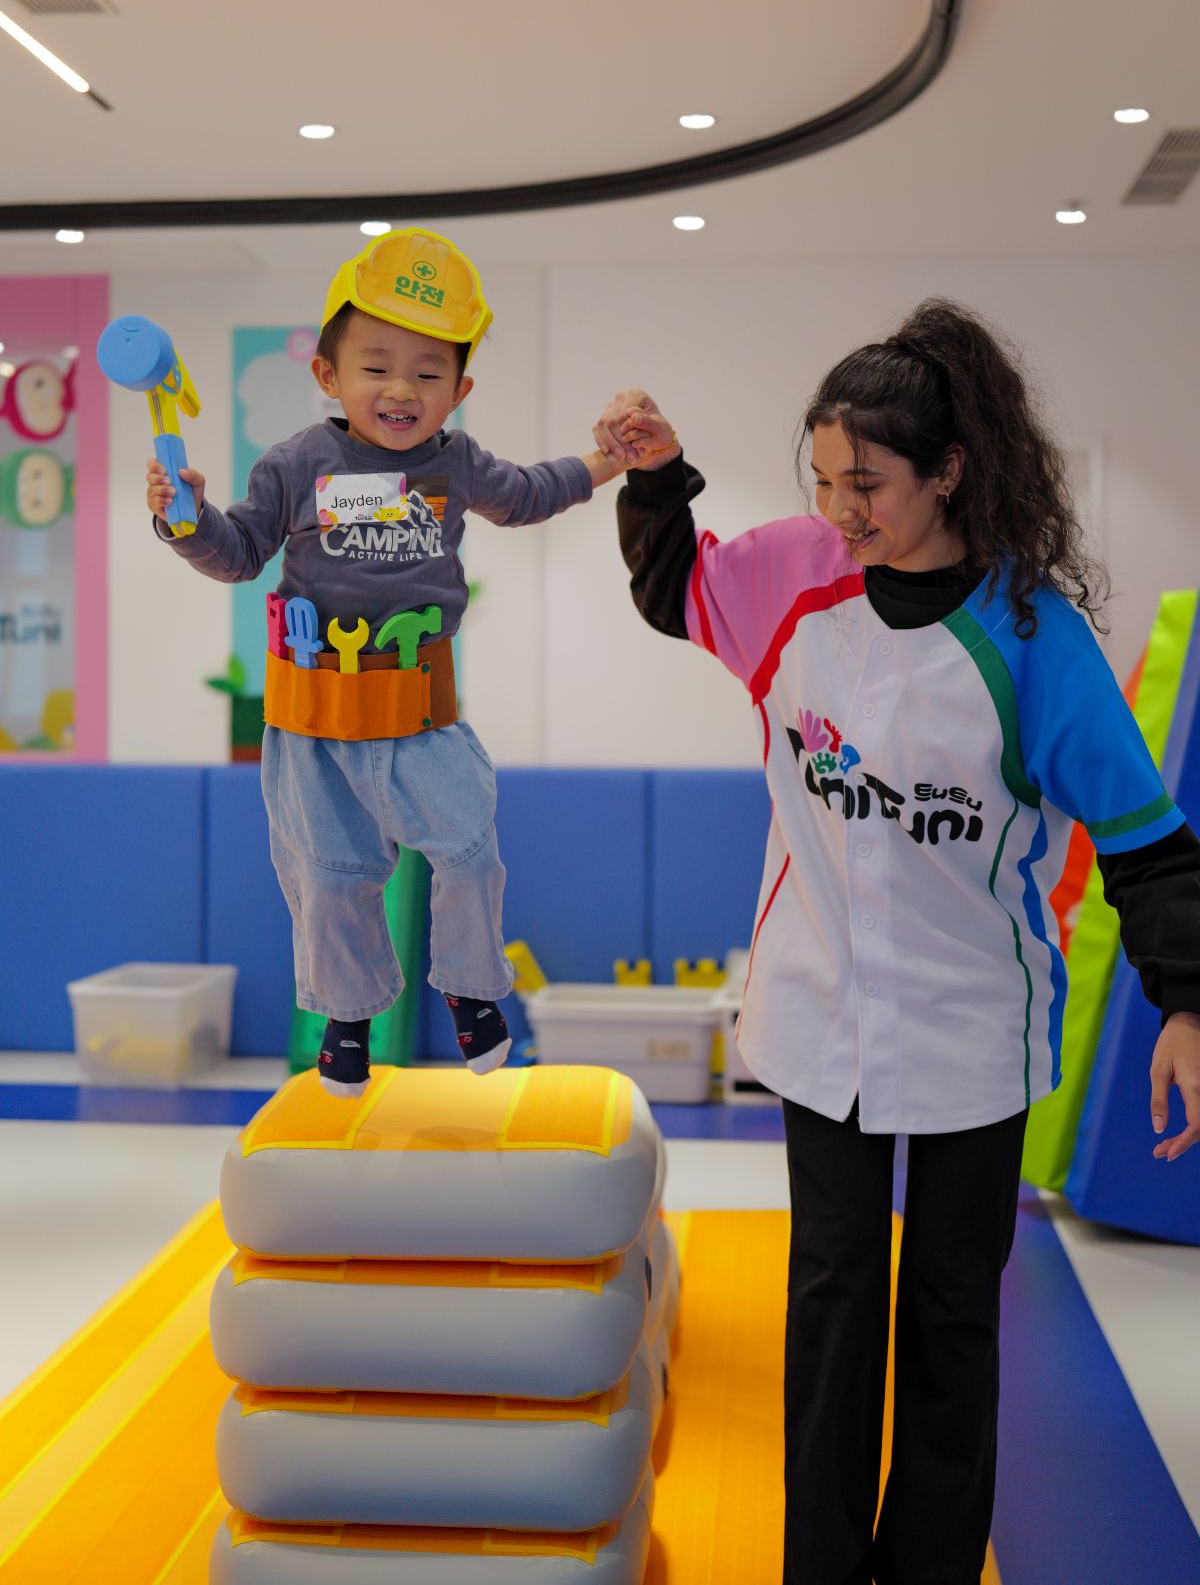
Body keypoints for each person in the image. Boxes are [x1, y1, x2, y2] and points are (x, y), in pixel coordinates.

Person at [594, 298, 1200, 1585]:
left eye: (866, 484)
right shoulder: (796, 576)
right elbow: (675, 589)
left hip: (972, 1025)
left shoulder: (1034, 643)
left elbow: (1148, 843)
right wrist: (656, 477)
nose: (840, 509)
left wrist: (1188, 1007)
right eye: (824, 480)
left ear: (951, 471)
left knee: (951, 1320)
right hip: (818, 1013)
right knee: (832, 1308)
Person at [146, 228, 661, 1097]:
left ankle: (469, 989)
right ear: (328, 374)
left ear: (459, 391)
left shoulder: (454, 462)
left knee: (469, 850)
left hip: (420, 713)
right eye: (376, 366)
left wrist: (610, 458)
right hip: (315, 719)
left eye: (428, 374)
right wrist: (185, 521)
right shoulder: (296, 463)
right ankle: (348, 1019)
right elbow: (237, 554)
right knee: (332, 879)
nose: (400, 389)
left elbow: (530, 494)